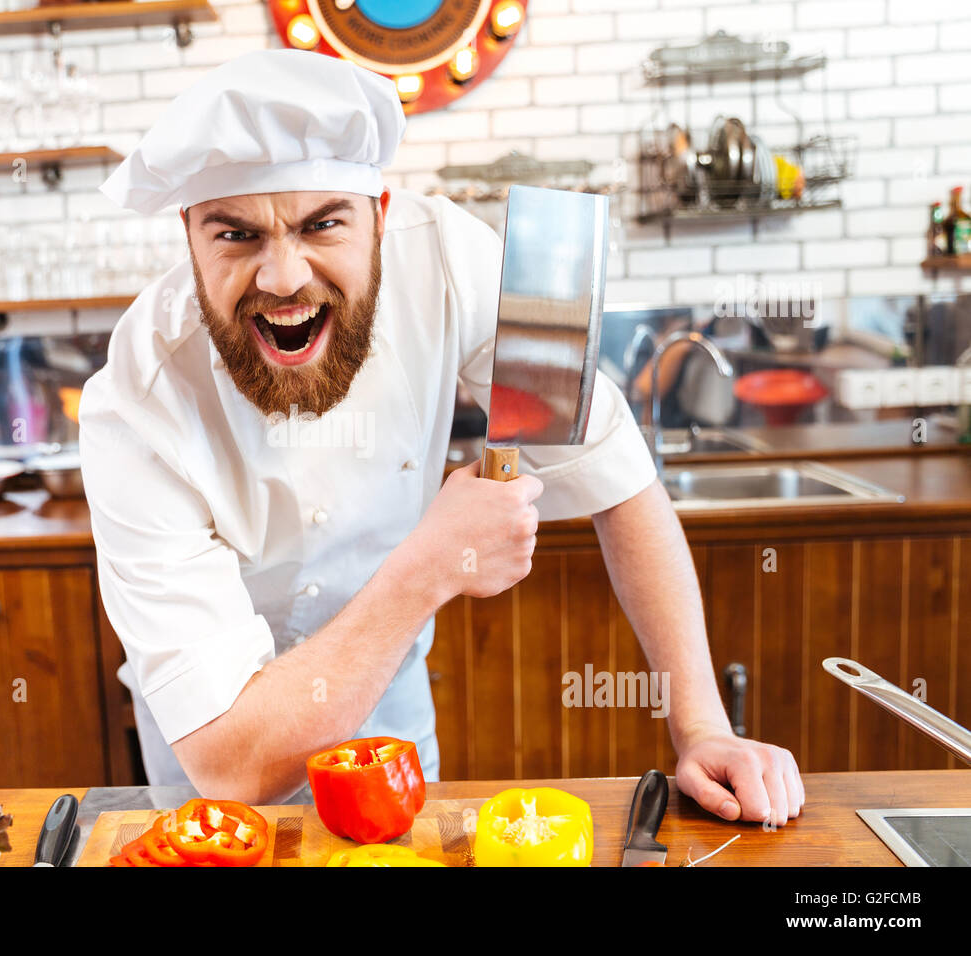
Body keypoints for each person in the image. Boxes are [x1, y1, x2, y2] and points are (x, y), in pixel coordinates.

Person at [79, 49, 804, 826]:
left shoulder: (457, 258)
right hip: (216, 765)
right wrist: (426, 569)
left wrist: (702, 728)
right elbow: (232, 762)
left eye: (323, 222)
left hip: (391, 732)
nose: (284, 276)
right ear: (189, 237)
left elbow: (616, 476)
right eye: (236, 235)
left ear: (382, 216)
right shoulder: (136, 405)